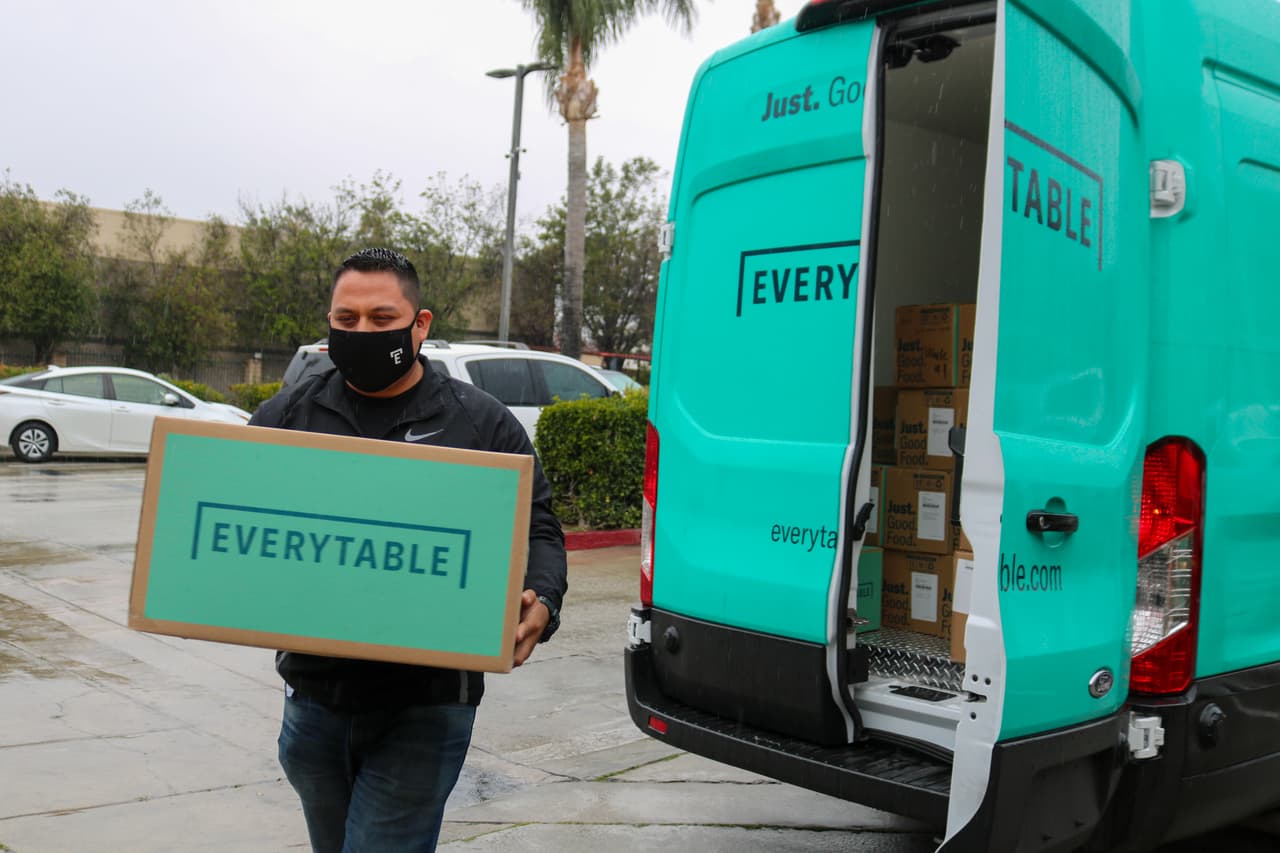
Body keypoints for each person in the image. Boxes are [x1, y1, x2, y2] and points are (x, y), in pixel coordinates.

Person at [249, 247, 567, 852]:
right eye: (346, 321)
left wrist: (543, 598)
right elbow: (233, 512)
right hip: (313, 700)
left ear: (420, 325)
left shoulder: (481, 424)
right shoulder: (287, 417)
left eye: (380, 318)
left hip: (425, 705)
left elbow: (538, 526)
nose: (361, 333)